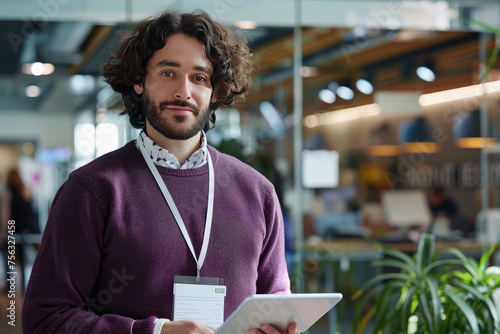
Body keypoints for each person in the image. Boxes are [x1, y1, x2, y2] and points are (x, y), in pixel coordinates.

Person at [22, 10, 295, 334]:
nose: (183, 91)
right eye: (168, 73)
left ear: (215, 91)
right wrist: (154, 331)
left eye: (199, 77)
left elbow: (277, 303)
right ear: (139, 81)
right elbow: (46, 319)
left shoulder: (257, 192)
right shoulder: (93, 190)